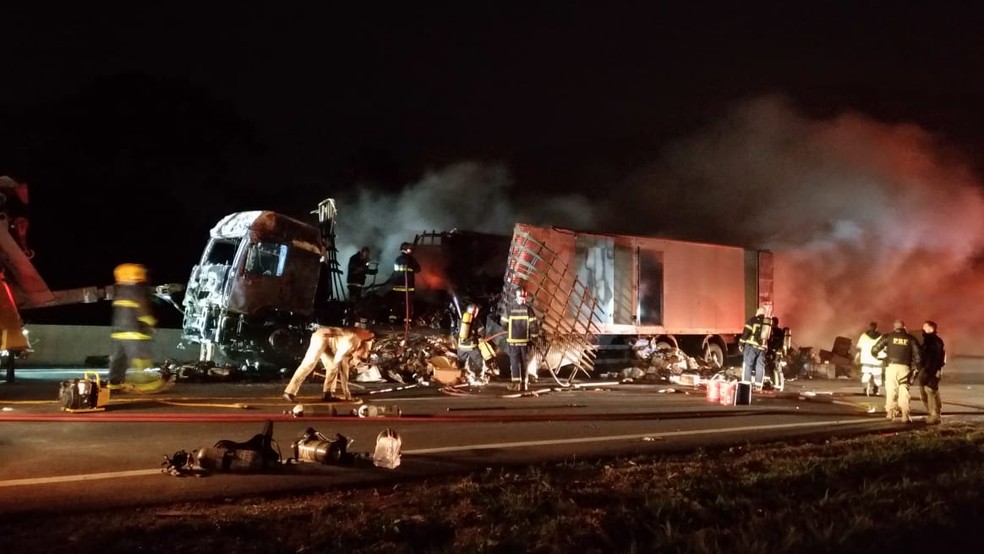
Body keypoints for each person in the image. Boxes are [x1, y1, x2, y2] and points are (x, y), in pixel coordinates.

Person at [283, 326, 375, 403]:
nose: (355, 361)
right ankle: (289, 392)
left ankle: (328, 393)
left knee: (332, 367)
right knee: (309, 363)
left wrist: (347, 394)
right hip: (322, 336)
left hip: (331, 342)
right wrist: (347, 393)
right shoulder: (350, 343)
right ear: (357, 350)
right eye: (358, 357)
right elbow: (337, 362)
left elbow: (344, 371)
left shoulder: (353, 350)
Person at [108, 263, 158, 391]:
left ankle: (114, 382)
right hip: (135, 331)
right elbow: (142, 308)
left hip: (118, 333)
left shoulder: (120, 291)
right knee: (140, 357)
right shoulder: (137, 289)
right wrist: (150, 323)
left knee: (118, 359)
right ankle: (144, 382)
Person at [871, 319, 921, 423]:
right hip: (905, 368)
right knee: (904, 390)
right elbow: (918, 356)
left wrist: (880, 357)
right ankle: (905, 415)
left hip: (891, 367)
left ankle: (890, 413)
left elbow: (874, 350)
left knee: (891, 390)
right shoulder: (910, 338)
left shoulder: (888, 337)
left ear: (894, 328)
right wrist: (917, 368)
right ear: (904, 327)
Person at [503, 288, 539, 391]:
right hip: (525, 342)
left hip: (513, 342)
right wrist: (534, 339)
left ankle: (516, 384)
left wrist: (509, 330)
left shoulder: (509, 309)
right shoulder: (528, 310)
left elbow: (503, 323)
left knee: (515, 363)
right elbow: (534, 326)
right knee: (524, 363)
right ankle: (524, 384)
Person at [916, 320, 945, 425]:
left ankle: (935, 416)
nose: (922, 329)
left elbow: (937, 358)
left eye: (924, 327)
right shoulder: (930, 340)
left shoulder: (934, 341)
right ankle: (932, 414)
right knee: (926, 392)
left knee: (931, 391)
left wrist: (933, 370)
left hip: (930, 371)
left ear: (930, 328)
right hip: (927, 370)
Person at [739, 306, 772, 388]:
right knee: (760, 366)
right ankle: (758, 385)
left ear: (758, 312)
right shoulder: (767, 323)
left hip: (751, 347)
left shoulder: (752, 320)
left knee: (748, 365)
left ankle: (746, 385)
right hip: (762, 348)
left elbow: (746, 333)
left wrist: (741, 344)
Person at [456, 303, 488, 383]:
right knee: (479, 361)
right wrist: (480, 336)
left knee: (460, 363)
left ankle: (459, 377)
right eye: (476, 312)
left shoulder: (461, 320)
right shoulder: (476, 321)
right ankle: (479, 377)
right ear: (474, 312)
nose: (477, 313)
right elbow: (482, 333)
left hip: (461, 347)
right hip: (472, 346)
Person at [390, 242, 421, 324]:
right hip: (408, 287)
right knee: (408, 304)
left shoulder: (397, 259)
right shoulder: (411, 259)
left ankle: (393, 318)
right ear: (407, 249)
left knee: (396, 303)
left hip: (398, 286)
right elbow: (418, 269)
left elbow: (395, 273)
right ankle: (407, 320)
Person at [856, 321, 885, 396]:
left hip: (866, 359)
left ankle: (866, 389)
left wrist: (856, 357)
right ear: (877, 328)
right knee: (877, 376)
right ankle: (876, 390)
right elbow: (884, 348)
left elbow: (859, 348)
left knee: (866, 375)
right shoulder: (881, 336)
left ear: (869, 327)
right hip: (877, 360)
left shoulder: (863, 336)